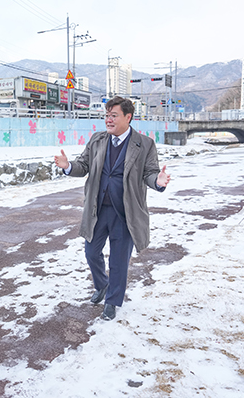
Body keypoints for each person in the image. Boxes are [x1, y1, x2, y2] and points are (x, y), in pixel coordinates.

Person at [54, 96, 171, 321]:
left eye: (113, 115)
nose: (108, 120)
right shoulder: (97, 140)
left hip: (125, 213)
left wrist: (158, 180)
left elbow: (149, 173)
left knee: (118, 261)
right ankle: (103, 284)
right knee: (91, 252)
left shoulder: (144, 144)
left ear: (128, 117)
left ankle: (112, 301)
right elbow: (84, 165)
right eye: (106, 115)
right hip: (98, 209)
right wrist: (68, 166)